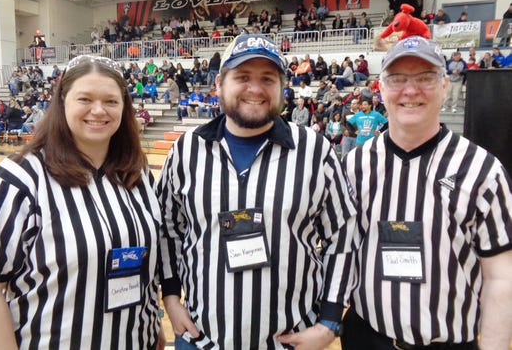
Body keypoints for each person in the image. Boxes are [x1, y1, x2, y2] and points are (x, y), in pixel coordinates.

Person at [158, 34, 358, 350]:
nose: (255, 88)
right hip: (201, 338)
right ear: (220, 84)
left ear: (282, 89)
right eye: (242, 77)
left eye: (267, 78)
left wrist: (330, 319)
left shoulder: (314, 151)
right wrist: (170, 296)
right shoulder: (186, 151)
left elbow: (343, 234)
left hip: (290, 341)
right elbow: (167, 229)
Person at [0, 55, 165, 349]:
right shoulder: (19, 179)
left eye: (111, 101)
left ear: (124, 107)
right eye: (85, 98)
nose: (98, 110)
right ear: (62, 103)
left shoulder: (138, 176)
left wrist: (149, 325)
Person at [342, 36, 512, 350]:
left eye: (425, 78)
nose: (410, 90)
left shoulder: (482, 170)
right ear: (381, 88)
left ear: (445, 85)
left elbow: (501, 278)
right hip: (366, 338)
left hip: (447, 342)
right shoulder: (355, 165)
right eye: (397, 79)